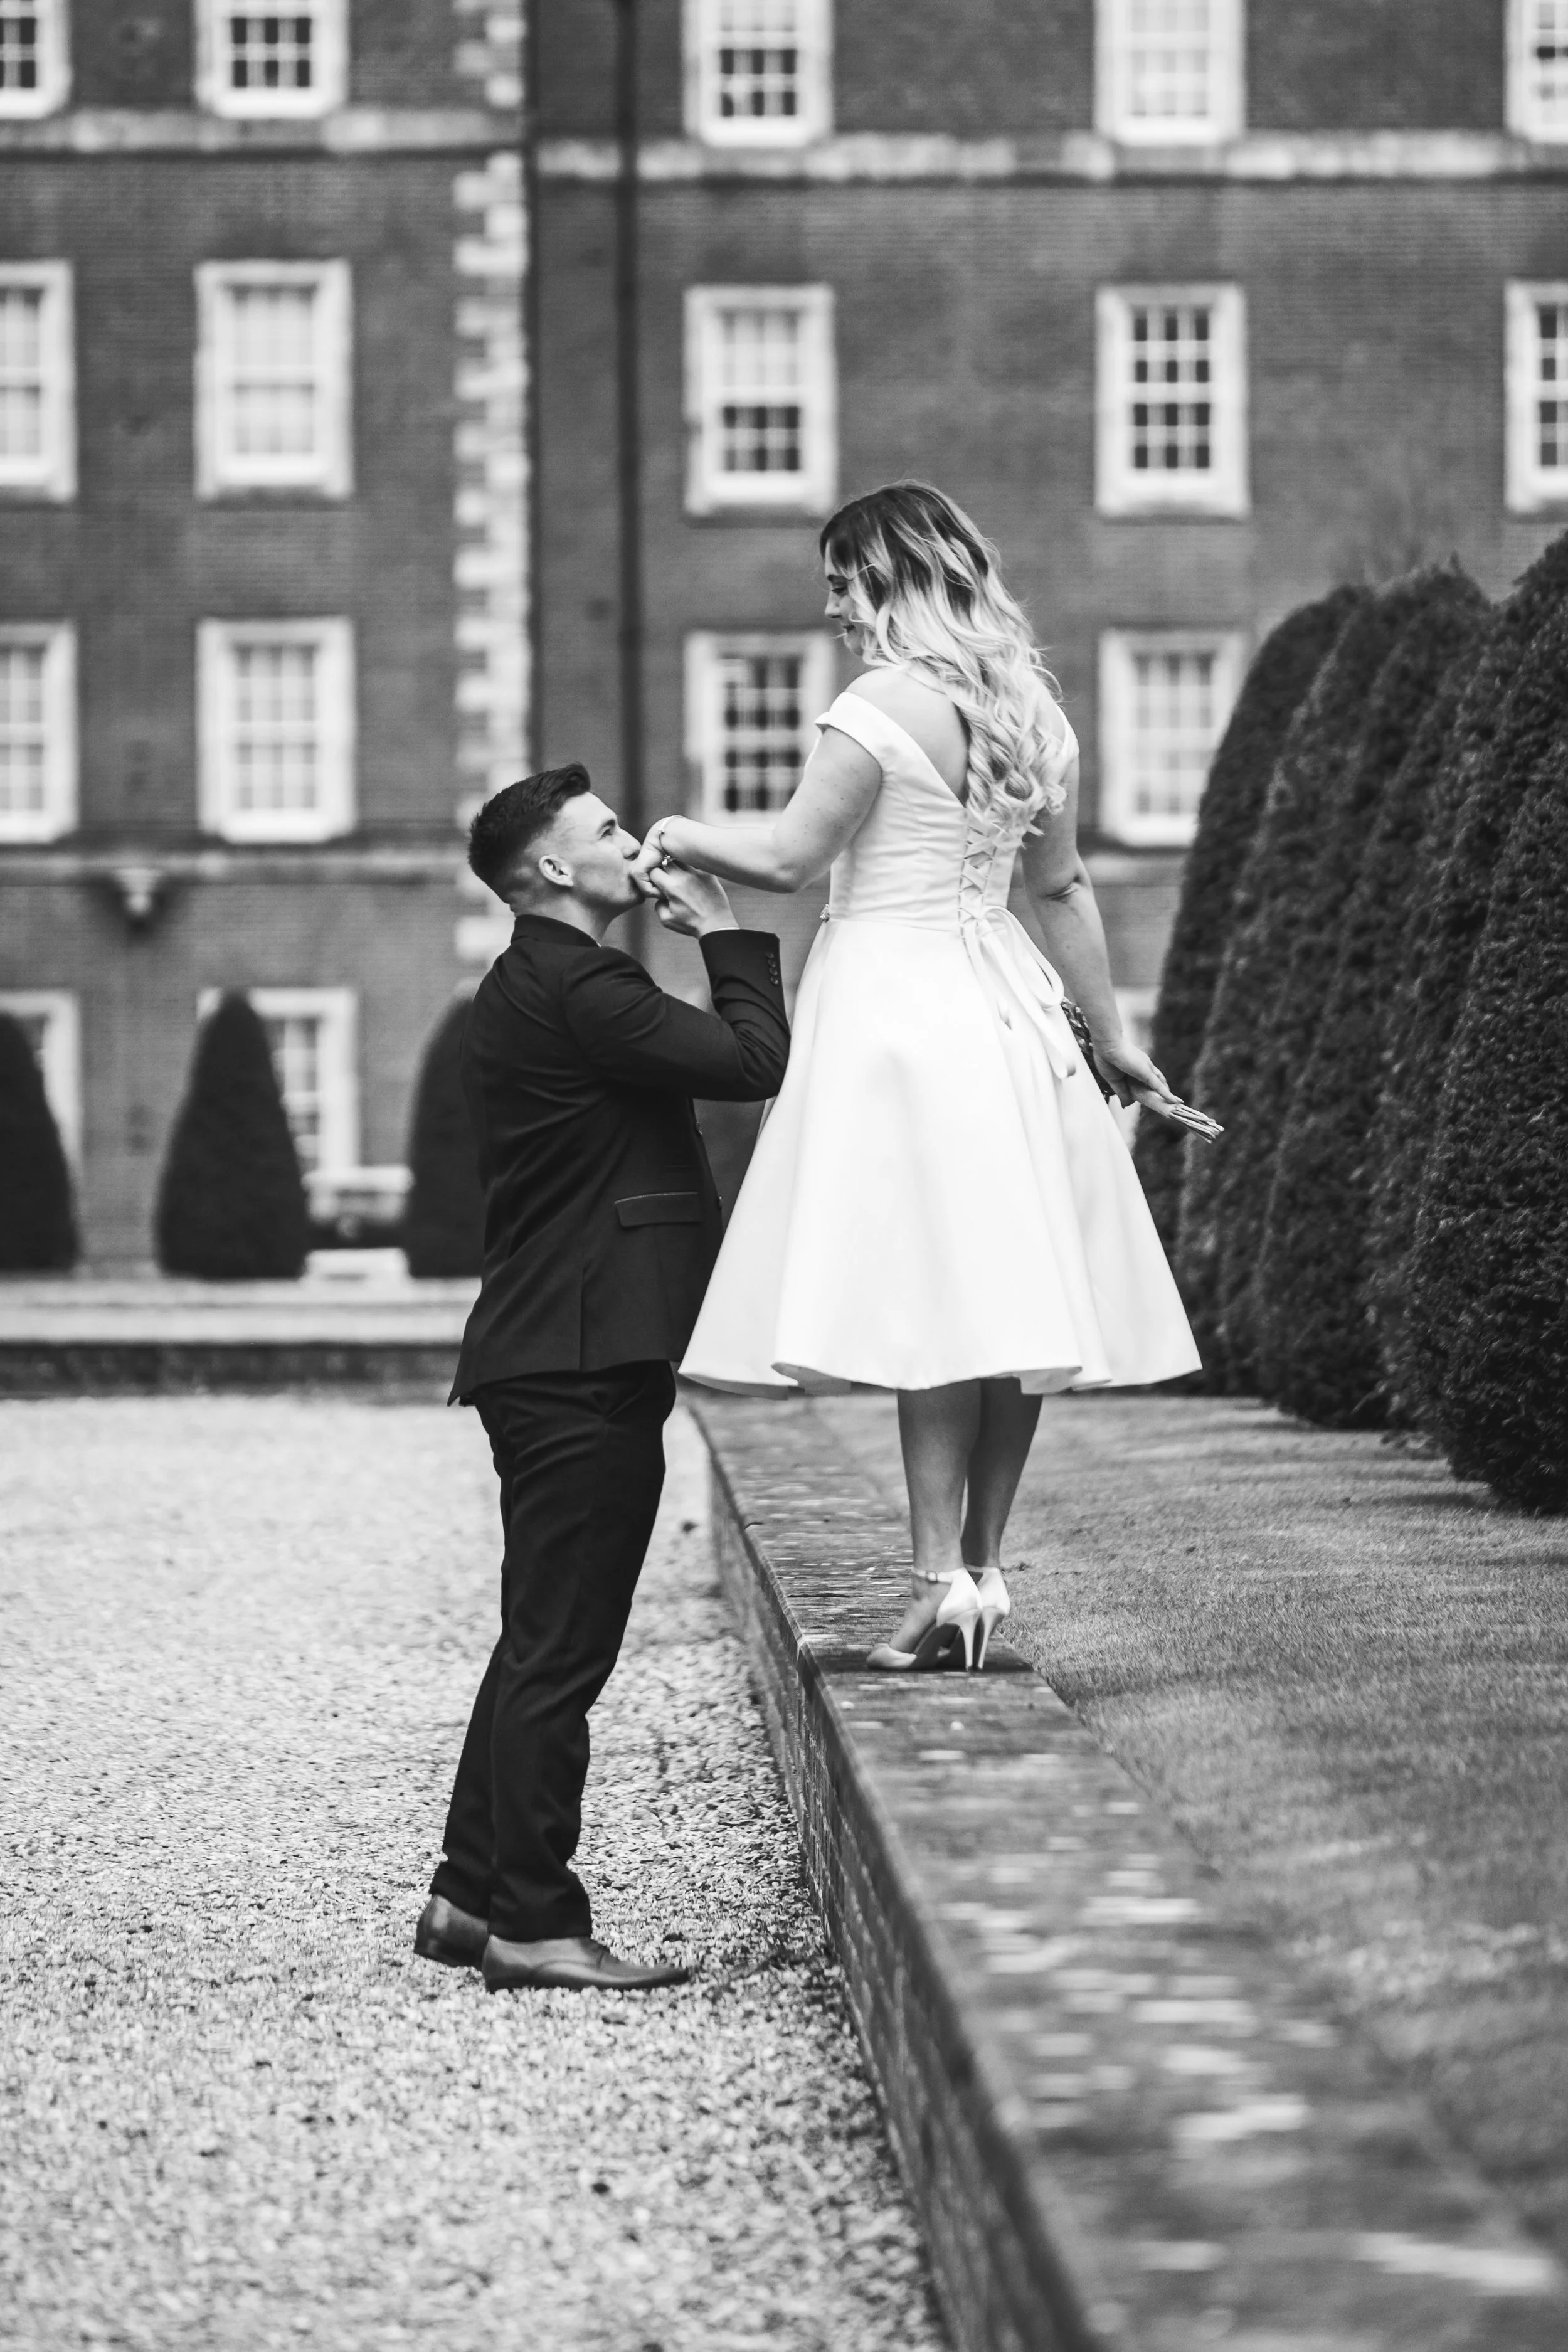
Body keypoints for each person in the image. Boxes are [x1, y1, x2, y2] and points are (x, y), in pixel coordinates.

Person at [633, 482, 1204, 1673]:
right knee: (1009, 1300)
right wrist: (1114, 1036)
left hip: (899, 1013)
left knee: (932, 1301)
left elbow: (792, 857)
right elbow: (1061, 891)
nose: (837, 605)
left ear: (896, 578)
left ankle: (940, 1579)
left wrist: (683, 831)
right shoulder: (1032, 711)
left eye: (846, 581)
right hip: (1009, 1010)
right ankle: (982, 1573)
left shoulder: (878, 706)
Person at [417, 763, 790, 1991]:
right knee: (562, 1656)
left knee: (537, 1639)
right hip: (579, 1361)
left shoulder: (530, 984)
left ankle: (468, 1898)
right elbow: (748, 1061)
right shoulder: (580, 984)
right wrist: (729, 932)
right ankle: (534, 1917)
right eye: (608, 831)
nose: (633, 842)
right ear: (551, 873)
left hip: (555, 1353)